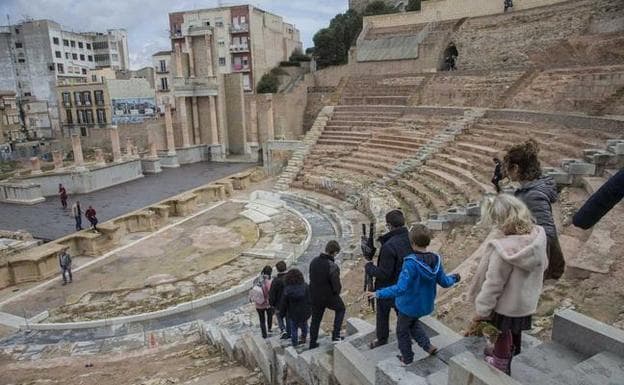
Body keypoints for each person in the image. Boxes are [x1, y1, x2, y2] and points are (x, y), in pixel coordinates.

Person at [468, 194, 548, 375]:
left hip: (505, 305)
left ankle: (500, 363)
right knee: (513, 330)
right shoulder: (537, 237)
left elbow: (493, 285)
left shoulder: (503, 250)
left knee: (501, 333)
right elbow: (545, 265)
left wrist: (481, 310)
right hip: (524, 302)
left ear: (501, 221)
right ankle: (510, 353)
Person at [368, 224, 460, 365]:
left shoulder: (410, 263)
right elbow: (445, 282)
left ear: (412, 243)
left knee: (402, 331)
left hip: (409, 305)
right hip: (425, 305)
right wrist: (455, 277)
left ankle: (407, 357)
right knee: (412, 324)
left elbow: (400, 288)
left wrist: (379, 293)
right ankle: (427, 346)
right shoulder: (435, 260)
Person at [503, 140, 563, 280]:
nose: (506, 172)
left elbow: (547, 233)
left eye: (508, 168)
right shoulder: (531, 189)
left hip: (538, 266)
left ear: (516, 168)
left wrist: (544, 270)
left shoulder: (533, 195)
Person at [363, 209, 413, 349]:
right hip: (405, 284)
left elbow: (384, 273)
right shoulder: (410, 238)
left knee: (383, 315)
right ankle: (410, 336)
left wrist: (369, 267)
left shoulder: (389, 246)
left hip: (388, 288)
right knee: (402, 313)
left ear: (389, 225)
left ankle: (382, 339)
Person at [309, 240, 345, 349]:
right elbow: (336, 285)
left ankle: (312, 343)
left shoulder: (314, 261)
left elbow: (311, 278)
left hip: (315, 295)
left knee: (315, 320)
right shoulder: (332, 266)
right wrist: (336, 293)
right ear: (334, 252)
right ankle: (336, 335)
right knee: (341, 309)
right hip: (328, 296)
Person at [279, 268, 311, 347]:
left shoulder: (287, 290)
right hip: (304, 311)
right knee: (304, 325)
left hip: (293, 313)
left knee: (294, 329)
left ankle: (295, 344)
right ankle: (304, 338)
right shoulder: (306, 286)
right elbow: (310, 299)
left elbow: (284, 304)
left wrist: (281, 314)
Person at [249, 265, 273, 338]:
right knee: (269, 316)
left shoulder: (256, 280)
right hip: (267, 304)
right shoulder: (268, 281)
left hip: (258, 304)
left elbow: (252, 290)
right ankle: (269, 329)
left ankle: (264, 334)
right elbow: (270, 292)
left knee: (262, 319)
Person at [269, 261, 290, 340]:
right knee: (288, 317)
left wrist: (272, 304)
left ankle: (283, 330)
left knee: (279, 317)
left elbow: (272, 294)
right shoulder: (290, 278)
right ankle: (289, 331)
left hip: (279, 304)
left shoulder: (275, 281)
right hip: (288, 303)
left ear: (277, 270)